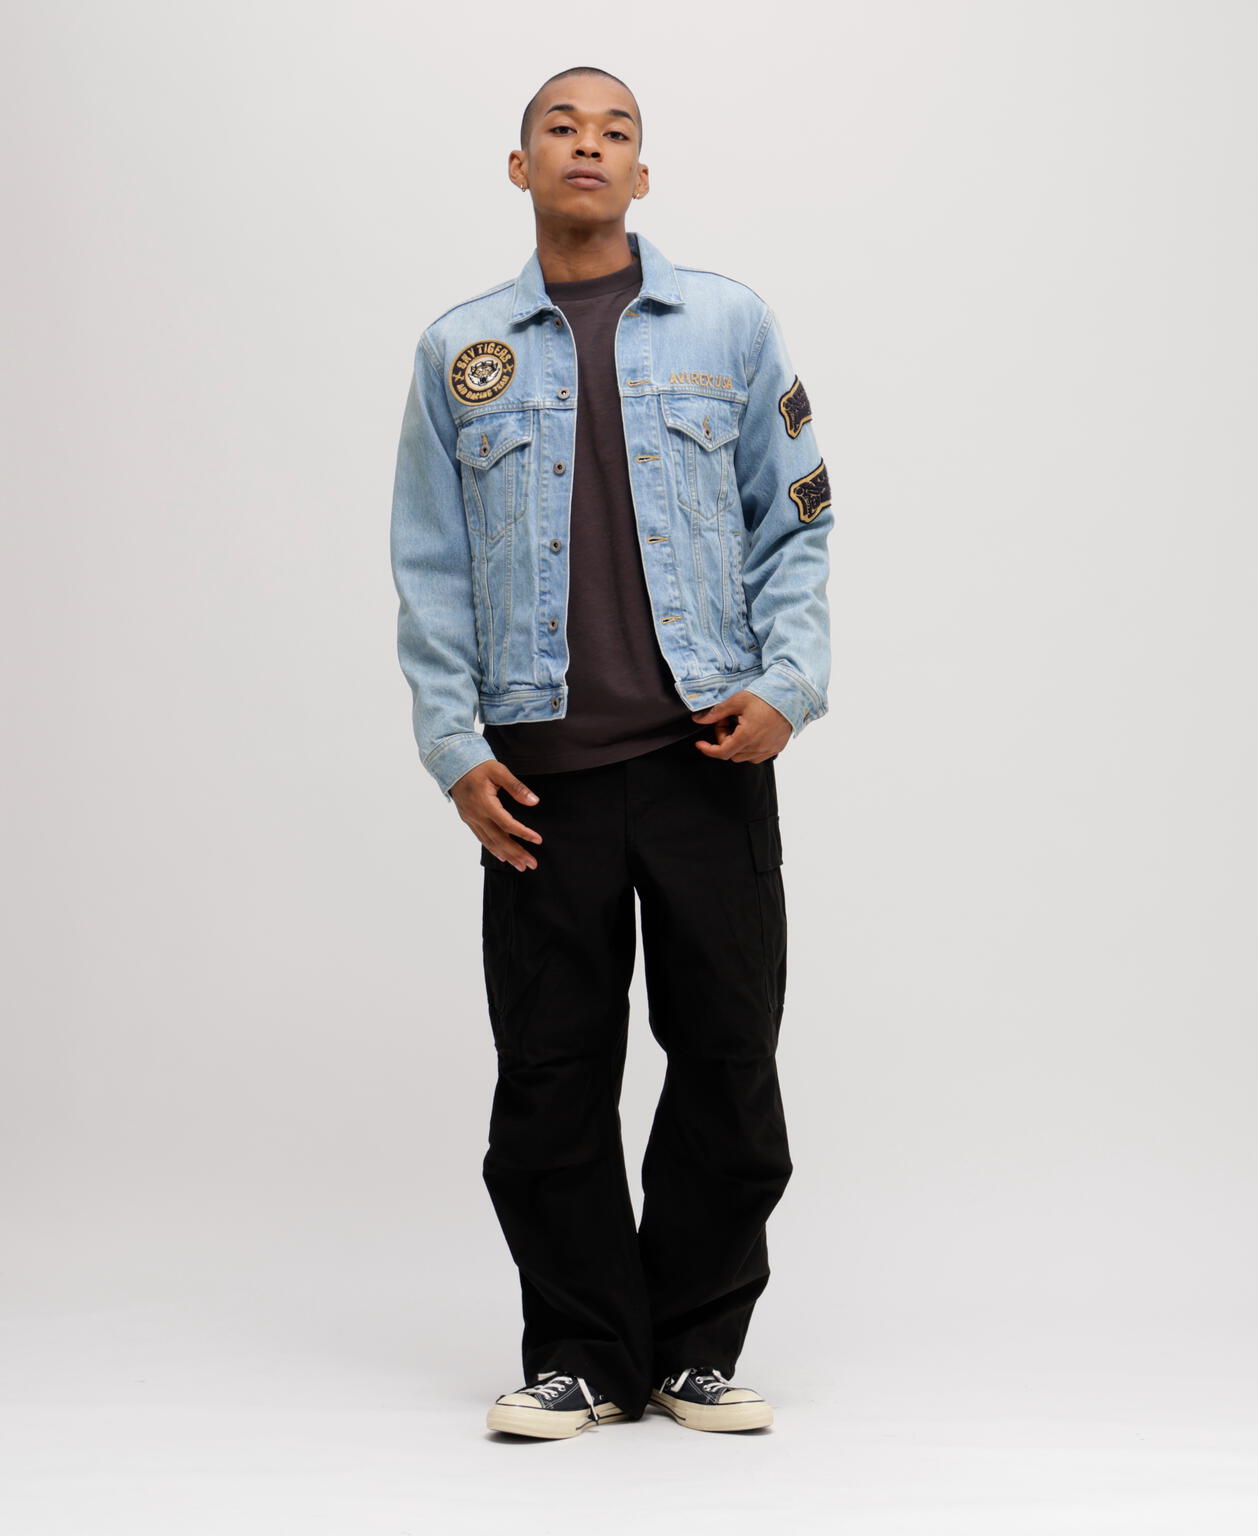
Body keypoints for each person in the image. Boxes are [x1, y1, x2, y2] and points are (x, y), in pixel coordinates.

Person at [389, 65, 833, 1439]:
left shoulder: (729, 324)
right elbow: (429, 563)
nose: (588, 145)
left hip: (709, 761)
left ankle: (694, 1345)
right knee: (550, 1076)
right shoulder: (461, 350)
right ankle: (581, 1350)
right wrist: (453, 745)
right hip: (540, 781)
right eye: (561, 128)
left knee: (728, 1061)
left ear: (644, 173)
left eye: (616, 130)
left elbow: (798, 519)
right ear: (519, 166)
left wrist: (788, 686)